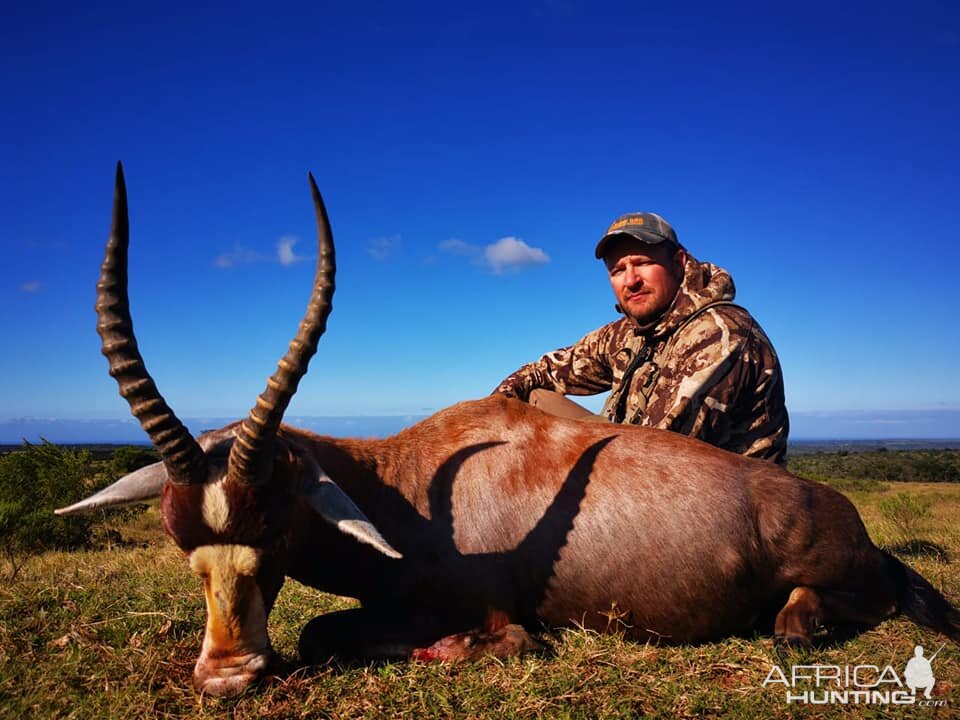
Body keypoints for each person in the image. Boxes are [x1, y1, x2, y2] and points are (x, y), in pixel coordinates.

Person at [493, 211, 789, 465]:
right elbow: (543, 371)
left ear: (678, 262)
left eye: (643, 263)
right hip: (638, 464)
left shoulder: (720, 334)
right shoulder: (630, 331)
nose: (631, 280)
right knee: (533, 400)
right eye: (618, 270)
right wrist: (489, 411)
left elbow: (656, 456)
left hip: (720, 506)